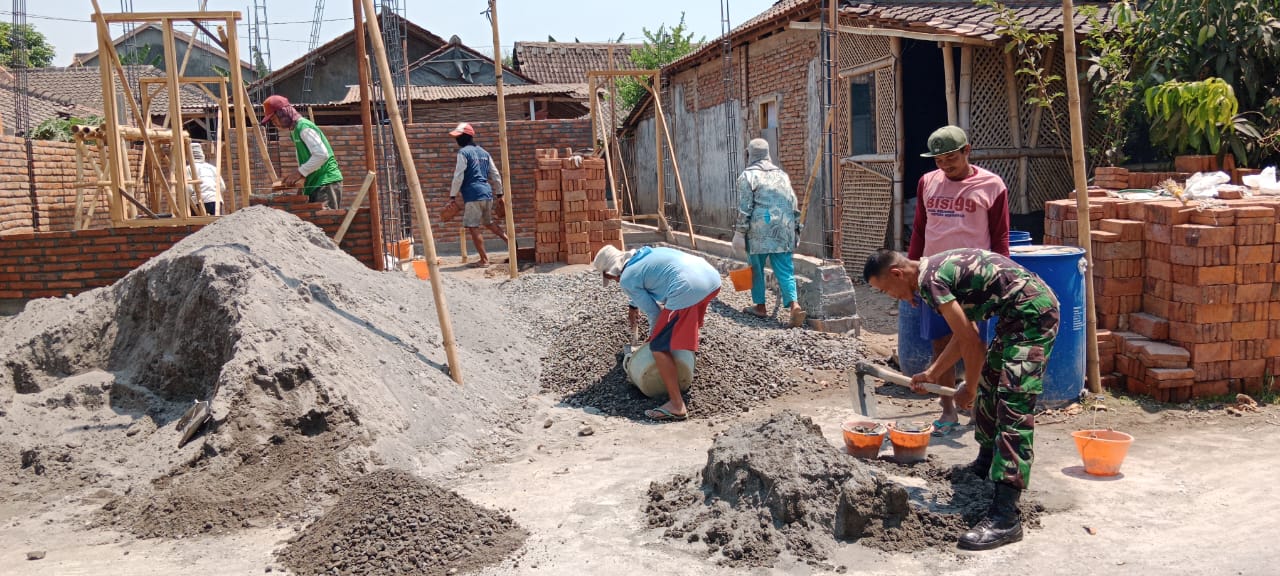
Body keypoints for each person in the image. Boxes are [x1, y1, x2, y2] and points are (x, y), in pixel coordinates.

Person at [863, 248, 1058, 551]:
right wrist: (932, 372)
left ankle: (1006, 516)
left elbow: (972, 343)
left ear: (897, 274)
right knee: (991, 387)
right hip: (1014, 317)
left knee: (1013, 407)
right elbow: (966, 331)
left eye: (886, 290)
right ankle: (984, 463)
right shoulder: (931, 274)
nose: (893, 297)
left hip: (1033, 316)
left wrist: (969, 387)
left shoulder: (931, 281)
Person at [910, 125, 1010, 436]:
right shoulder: (927, 182)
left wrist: (1000, 279)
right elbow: (919, 229)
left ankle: (977, 404)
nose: (945, 165)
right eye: (939, 160)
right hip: (933, 276)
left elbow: (1000, 236)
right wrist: (913, 274)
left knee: (973, 342)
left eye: (951, 158)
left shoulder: (992, 185)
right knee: (940, 343)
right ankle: (947, 408)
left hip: (974, 280)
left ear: (967, 151)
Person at [593, 245, 721, 422]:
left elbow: (655, 313)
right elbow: (648, 280)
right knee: (676, 325)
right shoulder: (644, 253)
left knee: (658, 347)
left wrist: (653, 339)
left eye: (610, 278)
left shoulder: (626, 279)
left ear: (610, 273)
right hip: (711, 279)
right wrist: (633, 305)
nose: (614, 281)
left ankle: (677, 405)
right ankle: (681, 360)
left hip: (687, 287)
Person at [732, 138, 805, 327]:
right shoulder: (782, 175)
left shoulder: (748, 176)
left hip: (758, 232)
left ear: (750, 154)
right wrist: (797, 229)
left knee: (756, 268)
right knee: (785, 269)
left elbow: (745, 208)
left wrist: (739, 233)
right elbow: (793, 203)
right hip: (784, 229)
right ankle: (794, 305)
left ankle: (760, 307)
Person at [262, 94, 343, 209]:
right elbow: (306, 159)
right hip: (316, 183)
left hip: (326, 182)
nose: (273, 123)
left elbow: (322, 155)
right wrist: (302, 183)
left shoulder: (304, 127)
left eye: (273, 119)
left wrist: (299, 173)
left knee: (324, 219)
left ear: (283, 113)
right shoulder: (295, 131)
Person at [446, 122, 509, 268]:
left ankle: (484, 260)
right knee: (488, 222)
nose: (457, 139)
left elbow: (458, 176)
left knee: (473, 226)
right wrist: (500, 194)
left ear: (466, 136)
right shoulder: (485, 153)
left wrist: (452, 196)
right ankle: (510, 243)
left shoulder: (463, 153)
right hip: (487, 192)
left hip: (473, 194)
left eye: (458, 136)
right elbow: (495, 174)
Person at [185, 142, 225, 216]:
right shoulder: (212, 168)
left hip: (199, 202)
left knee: (198, 223)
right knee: (218, 222)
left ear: (188, 156)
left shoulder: (188, 169)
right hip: (216, 200)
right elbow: (222, 187)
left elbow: (189, 189)